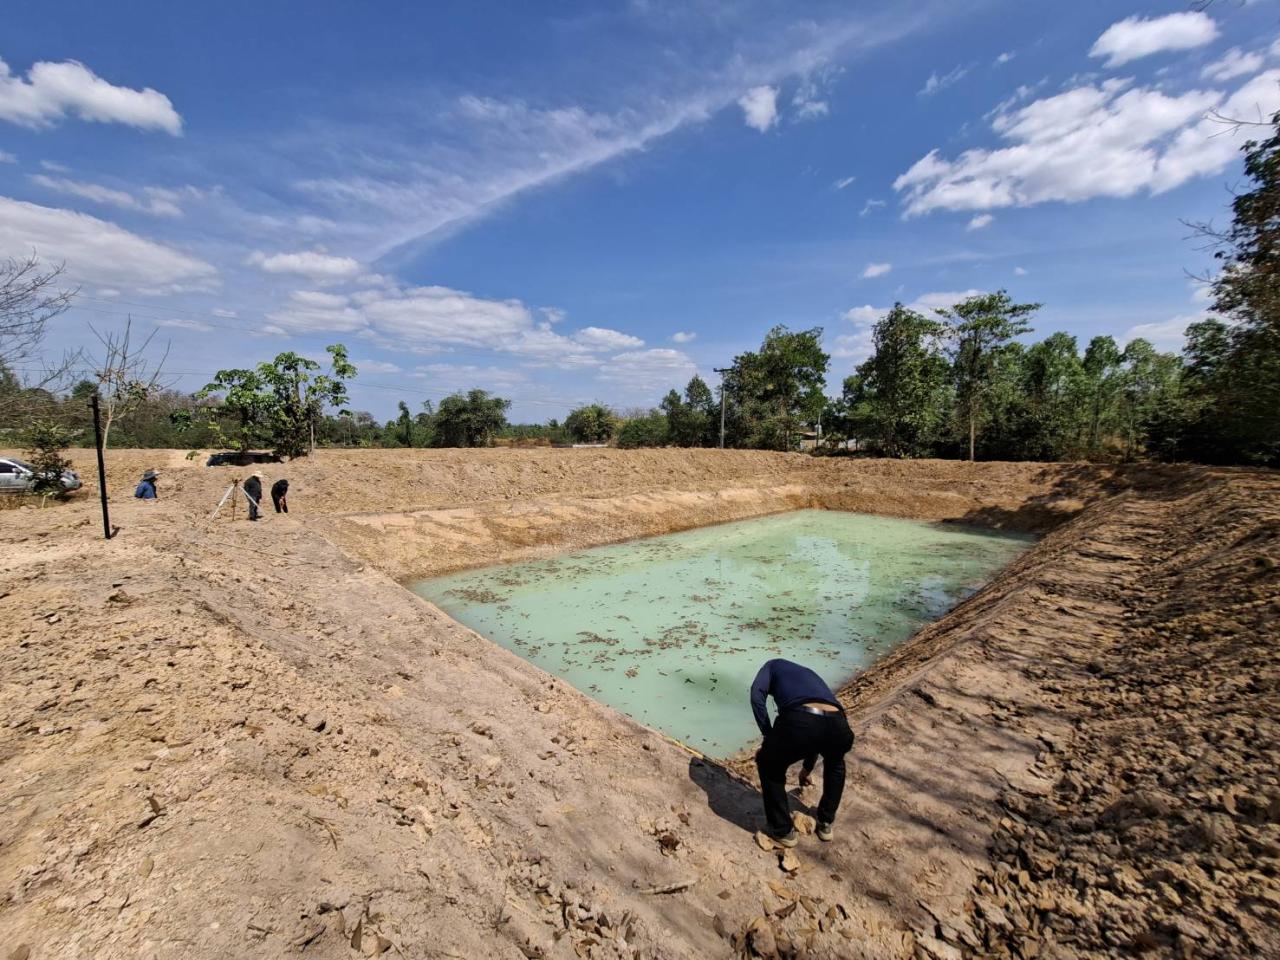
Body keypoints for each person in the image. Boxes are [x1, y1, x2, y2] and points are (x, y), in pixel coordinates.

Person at [750, 658, 854, 847]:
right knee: (836, 763)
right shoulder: (808, 673)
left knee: (768, 764)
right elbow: (817, 725)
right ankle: (826, 822)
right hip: (839, 723)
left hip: (800, 719)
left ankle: (782, 830)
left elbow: (756, 695)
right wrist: (806, 770)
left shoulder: (771, 665)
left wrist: (768, 736)